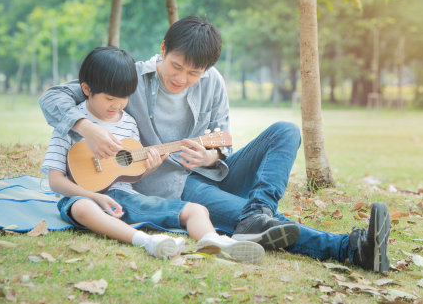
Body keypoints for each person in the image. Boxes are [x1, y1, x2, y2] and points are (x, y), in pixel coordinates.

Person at [39, 16, 390, 272]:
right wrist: (88, 128)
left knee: (285, 130)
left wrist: (211, 156)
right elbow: (53, 97)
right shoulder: (128, 77)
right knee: (250, 219)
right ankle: (350, 248)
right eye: (176, 66)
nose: (182, 79)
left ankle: (258, 213)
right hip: (172, 184)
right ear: (163, 49)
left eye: (194, 74)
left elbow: (224, 140)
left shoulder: (213, 82)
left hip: (211, 173)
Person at [41, 46, 264, 264]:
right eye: (110, 99)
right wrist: (96, 197)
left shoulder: (127, 122)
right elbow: (55, 181)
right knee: (82, 207)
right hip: (83, 197)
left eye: (124, 98)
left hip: (126, 198)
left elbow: (129, 174)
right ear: (87, 90)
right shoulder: (71, 124)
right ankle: (146, 241)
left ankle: (213, 241)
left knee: (197, 209)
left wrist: (151, 167)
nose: (117, 105)